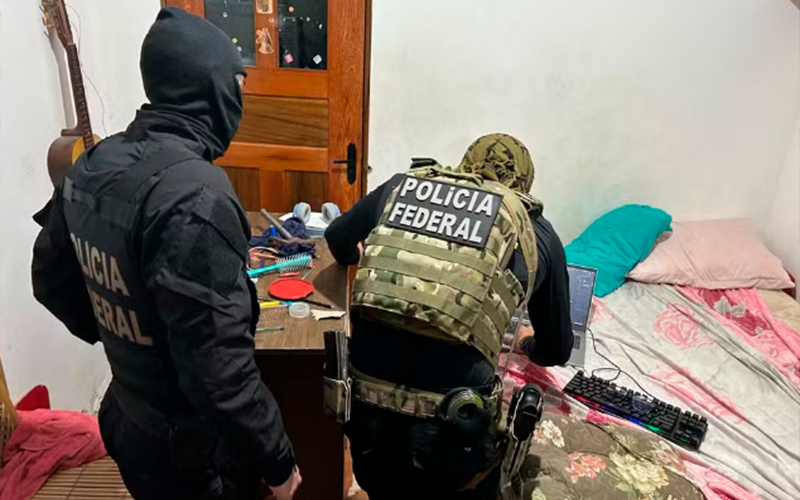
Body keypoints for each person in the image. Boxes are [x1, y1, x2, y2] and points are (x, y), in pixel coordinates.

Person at [31, 8, 301, 500]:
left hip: (128, 417)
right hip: (192, 455)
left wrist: (126, 336)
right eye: (237, 85)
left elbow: (51, 280)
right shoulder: (196, 195)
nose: (241, 99)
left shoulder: (93, 164)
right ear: (209, 86)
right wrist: (279, 463)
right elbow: (220, 372)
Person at [324, 133, 572, 499]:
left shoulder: (404, 187)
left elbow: (337, 237)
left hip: (367, 432)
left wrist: (372, 268)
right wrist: (525, 344)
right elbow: (557, 350)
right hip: (456, 444)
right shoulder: (536, 231)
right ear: (522, 186)